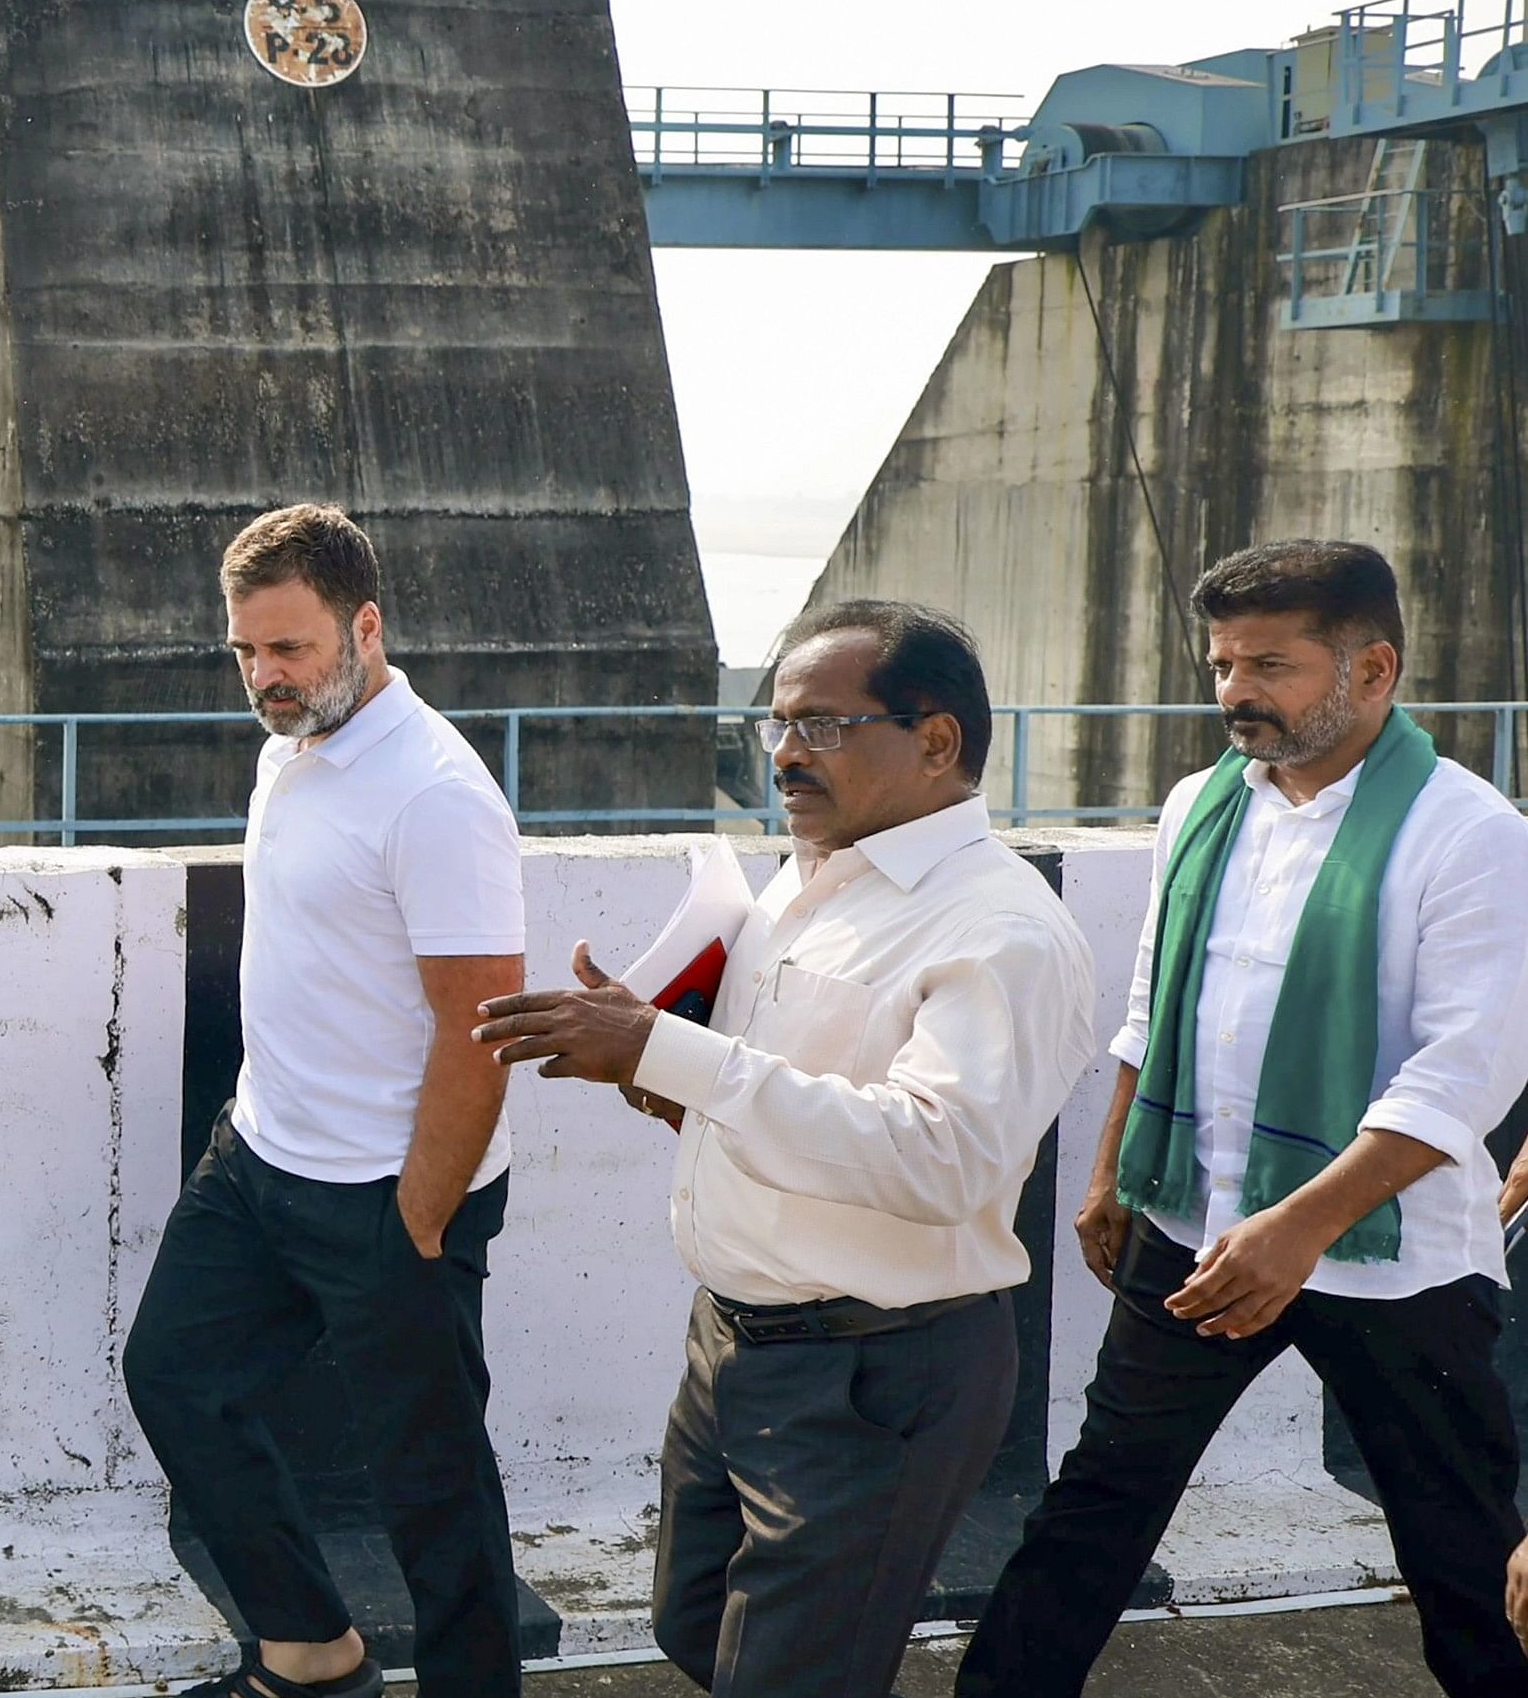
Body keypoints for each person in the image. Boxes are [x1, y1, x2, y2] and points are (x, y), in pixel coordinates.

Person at [473, 600, 1096, 1696]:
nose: (783, 754)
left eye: (822, 725)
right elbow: (788, 1094)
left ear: (937, 739)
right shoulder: (809, 874)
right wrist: (657, 1067)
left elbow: (944, 1159)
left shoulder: (1002, 930)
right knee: (692, 1623)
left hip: (874, 1370)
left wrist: (669, 1049)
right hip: (734, 1345)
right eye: (775, 724)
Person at [958, 541, 1528, 1697]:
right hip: (1197, 1224)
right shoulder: (1202, 805)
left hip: (1392, 1263)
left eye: (1270, 663)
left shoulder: (1471, 835)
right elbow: (1156, 999)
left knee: (1458, 1547)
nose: (1234, 693)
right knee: (1098, 1504)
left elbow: (1461, 1078)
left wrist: (1298, 1229)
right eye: (1221, 662)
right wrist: (1114, 1166)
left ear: (1374, 670)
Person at [122, 503, 528, 1698]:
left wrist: (418, 1217)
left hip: (387, 1197)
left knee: (434, 1492)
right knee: (175, 1377)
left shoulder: (435, 793)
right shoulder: (288, 749)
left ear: (363, 625)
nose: (265, 677)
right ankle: (311, 1651)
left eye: (288, 648)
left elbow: (479, 1031)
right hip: (257, 1163)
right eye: (245, 651)